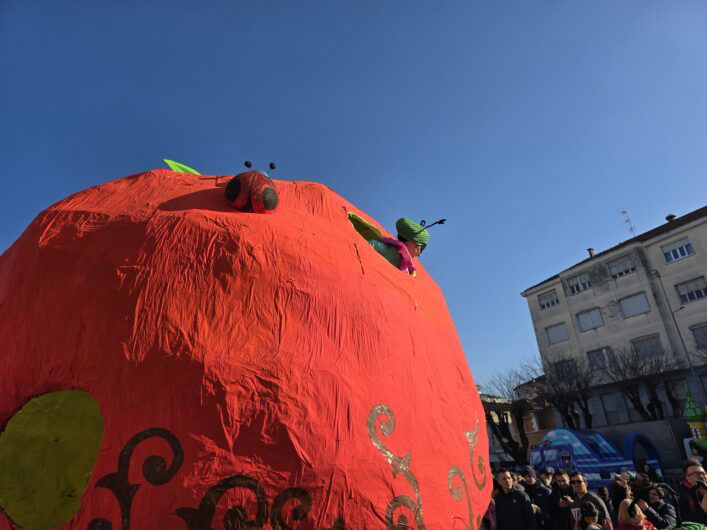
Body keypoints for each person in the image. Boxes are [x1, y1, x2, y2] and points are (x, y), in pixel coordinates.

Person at [368, 218, 442, 275]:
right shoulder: (380, 248)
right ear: (413, 243)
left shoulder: (409, 270)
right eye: (421, 248)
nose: (420, 254)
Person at [678, 459, 707, 524]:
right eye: (696, 474)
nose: (702, 476)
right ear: (687, 478)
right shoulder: (683, 498)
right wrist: (704, 510)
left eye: (703, 473)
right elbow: (689, 523)